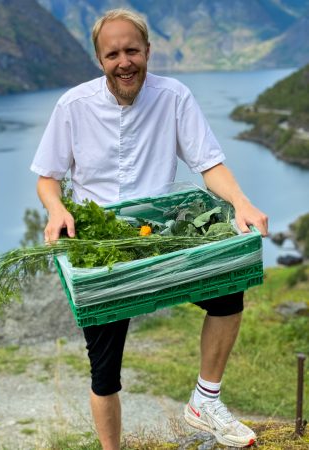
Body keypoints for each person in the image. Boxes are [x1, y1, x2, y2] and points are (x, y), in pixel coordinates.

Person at [30, 8, 268, 449]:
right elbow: (48, 176)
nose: (125, 62)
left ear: (148, 52)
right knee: (104, 371)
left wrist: (241, 202)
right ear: (99, 60)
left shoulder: (175, 96)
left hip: (161, 237)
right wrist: (55, 209)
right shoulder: (73, 106)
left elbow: (207, 163)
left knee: (228, 295)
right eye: (113, 54)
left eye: (132, 51)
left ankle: (204, 401)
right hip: (101, 246)